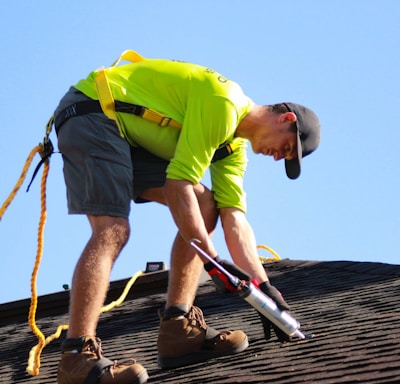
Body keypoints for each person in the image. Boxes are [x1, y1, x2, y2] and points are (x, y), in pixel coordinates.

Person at [53, 50, 320, 384]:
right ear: (287, 120)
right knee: (113, 229)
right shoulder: (223, 102)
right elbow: (178, 186)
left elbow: (234, 219)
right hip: (94, 111)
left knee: (206, 205)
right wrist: (212, 260)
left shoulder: (232, 148)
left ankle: (178, 331)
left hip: (130, 134)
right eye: (288, 148)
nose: (280, 157)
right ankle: (77, 356)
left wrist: (264, 287)